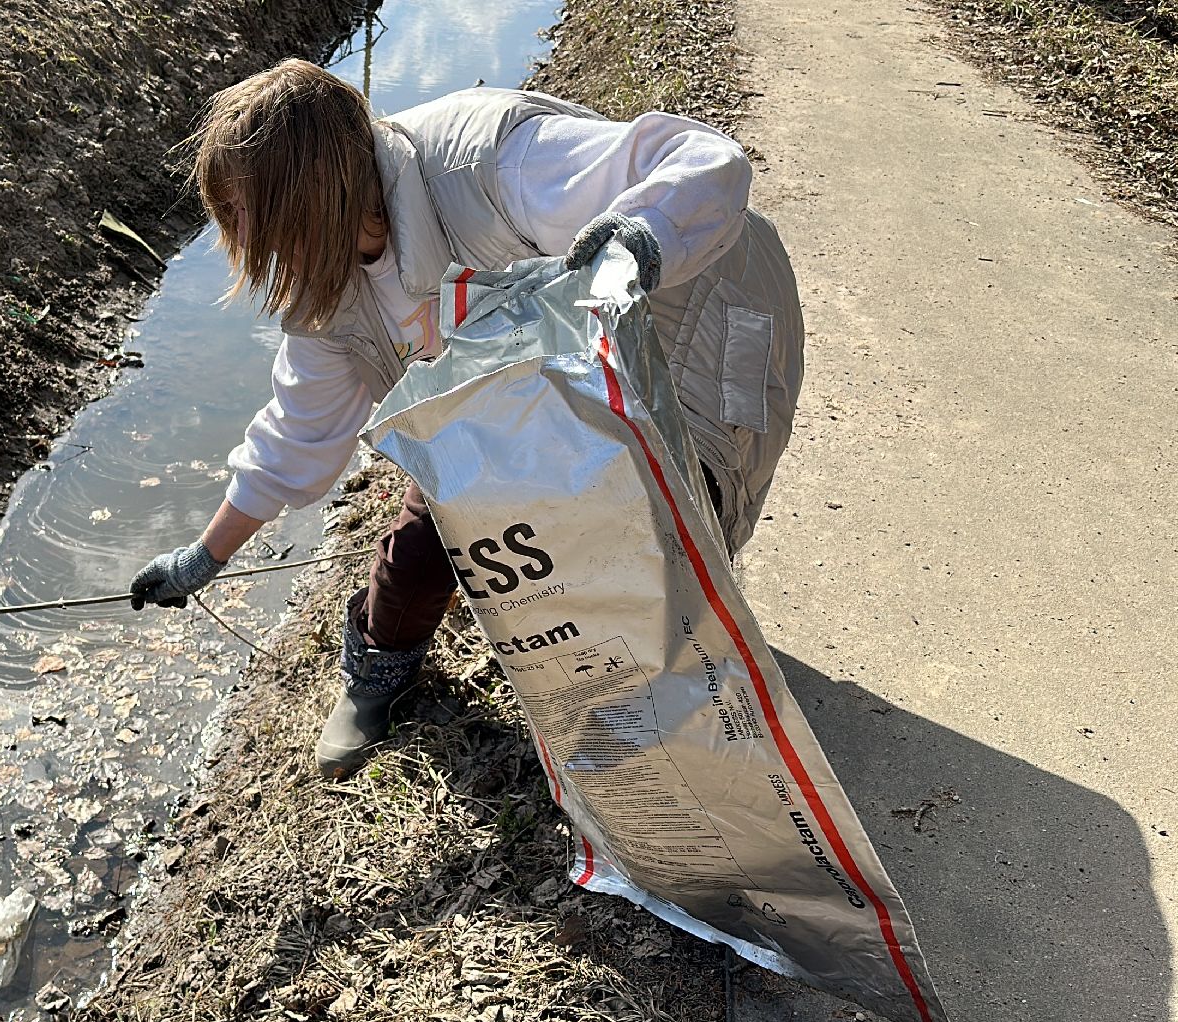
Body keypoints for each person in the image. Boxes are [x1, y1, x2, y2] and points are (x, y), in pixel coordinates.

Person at [129, 59, 804, 778]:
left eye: (255, 222)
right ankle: (379, 672)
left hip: (688, 309)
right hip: (517, 380)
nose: (253, 250)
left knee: (662, 524)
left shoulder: (490, 164)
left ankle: (669, 669)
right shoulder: (322, 293)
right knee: (434, 534)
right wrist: (206, 557)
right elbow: (297, 434)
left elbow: (705, 162)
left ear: (311, 195)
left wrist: (641, 236)